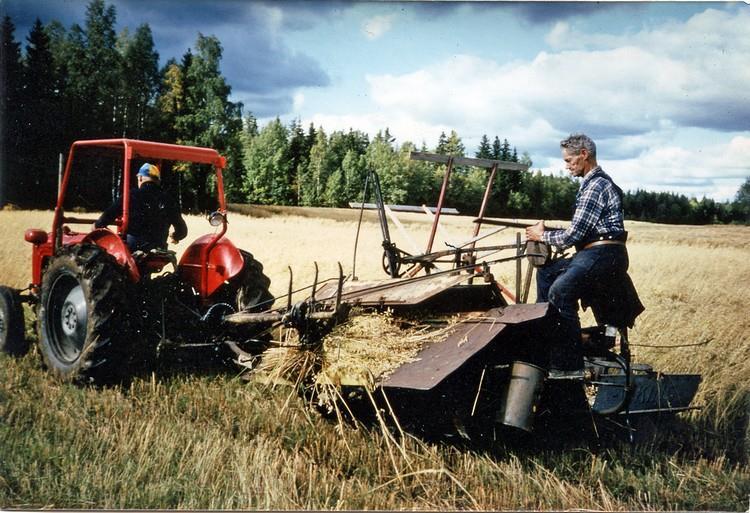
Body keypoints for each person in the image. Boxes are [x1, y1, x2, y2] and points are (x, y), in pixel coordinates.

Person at [525, 133, 641, 376]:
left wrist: (540, 236)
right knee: (546, 272)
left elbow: (572, 236)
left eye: (569, 161)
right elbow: (582, 231)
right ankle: (546, 337)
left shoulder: (596, 186)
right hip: (594, 252)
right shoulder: (590, 184)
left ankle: (568, 365)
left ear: (584, 155)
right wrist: (546, 231)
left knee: (561, 291)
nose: (567, 166)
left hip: (604, 254)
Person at [95, 163, 187, 252]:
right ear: (157, 180)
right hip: (159, 250)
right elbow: (182, 230)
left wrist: (98, 227)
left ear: (140, 178)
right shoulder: (168, 199)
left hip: (132, 249)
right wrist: (175, 236)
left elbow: (103, 220)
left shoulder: (131, 195)